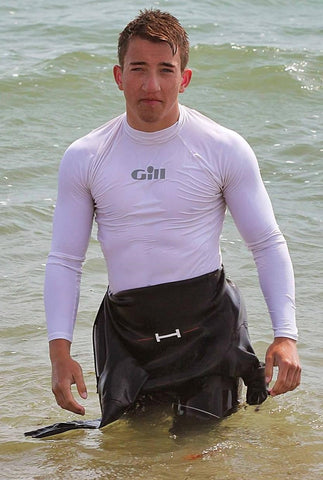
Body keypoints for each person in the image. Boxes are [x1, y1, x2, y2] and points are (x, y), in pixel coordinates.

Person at [44, 9, 301, 430]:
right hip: (129, 333)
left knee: (197, 456)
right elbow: (64, 260)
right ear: (118, 75)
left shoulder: (222, 148)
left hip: (209, 325)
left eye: (166, 70)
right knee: (130, 457)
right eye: (138, 69)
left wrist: (286, 336)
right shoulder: (86, 156)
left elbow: (267, 243)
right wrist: (60, 352)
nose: (152, 85)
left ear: (184, 78)